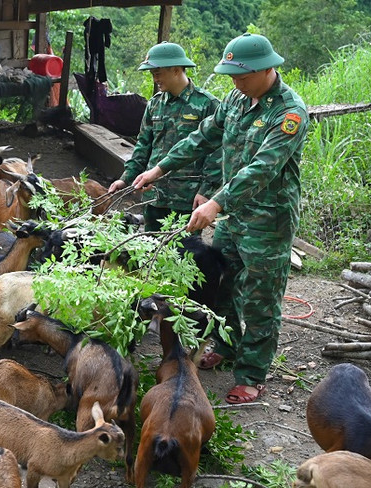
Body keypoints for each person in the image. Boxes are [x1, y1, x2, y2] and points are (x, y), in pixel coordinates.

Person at [132, 33, 309, 404]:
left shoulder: (289, 113)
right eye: (231, 77)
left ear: (267, 70)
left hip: (267, 221)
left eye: (241, 76)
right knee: (221, 290)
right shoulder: (234, 99)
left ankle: (252, 374)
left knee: (260, 300)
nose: (235, 83)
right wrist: (159, 169)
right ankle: (227, 349)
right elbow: (202, 136)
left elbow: (262, 168)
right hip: (232, 218)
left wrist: (214, 202)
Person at [108, 41, 221, 231]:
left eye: (158, 73)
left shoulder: (207, 104)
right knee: (149, 250)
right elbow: (143, 146)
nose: (155, 79)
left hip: (187, 198)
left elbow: (216, 153)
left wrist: (205, 191)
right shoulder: (154, 105)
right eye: (153, 74)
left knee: (184, 253)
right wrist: (126, 178)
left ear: (176, 70)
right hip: (154, 196)